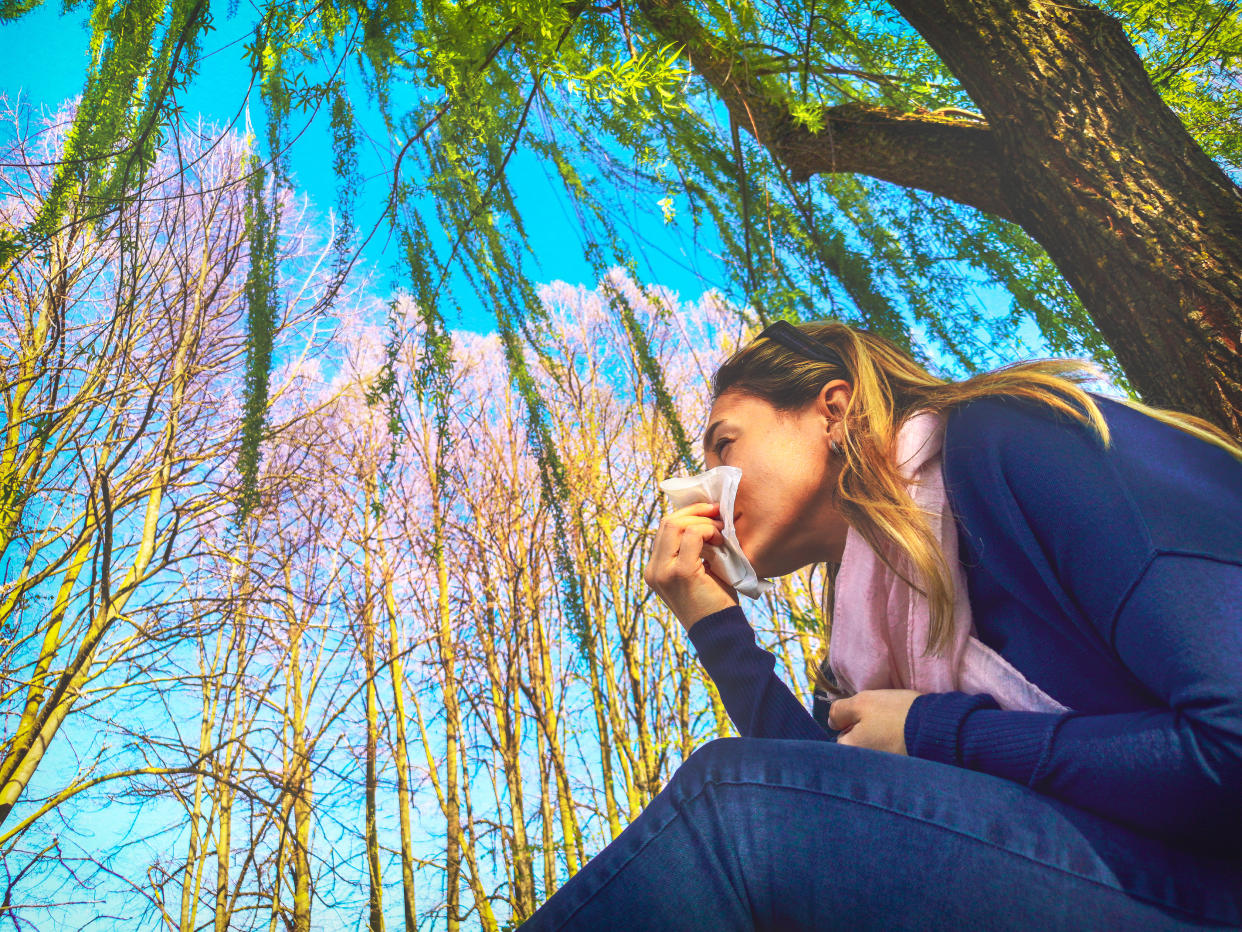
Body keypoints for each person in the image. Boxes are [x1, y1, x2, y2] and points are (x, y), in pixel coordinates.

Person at [517, 320, 1242, 931]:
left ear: (833, 412)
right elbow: (836, 824)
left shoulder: (1015, 444)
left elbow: (1230, 740)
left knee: (726, 805)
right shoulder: (868, 640)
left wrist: (937, 732)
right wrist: (714, 624)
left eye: (723, 445)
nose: (696, 487)